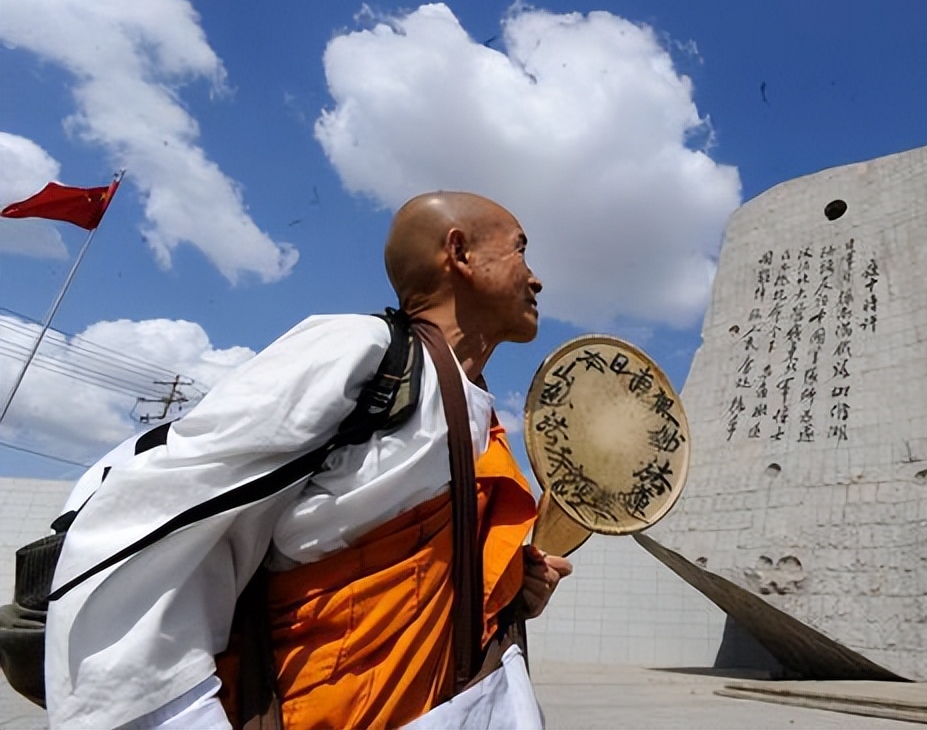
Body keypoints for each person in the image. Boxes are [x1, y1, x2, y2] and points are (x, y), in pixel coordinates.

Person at [45, 191, 572, 729]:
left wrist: (511, 590)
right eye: (520, 251)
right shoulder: (362, 351)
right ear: (459, 253)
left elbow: (433, 586)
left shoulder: (481, 415)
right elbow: (154, 517)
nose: (536, 279)